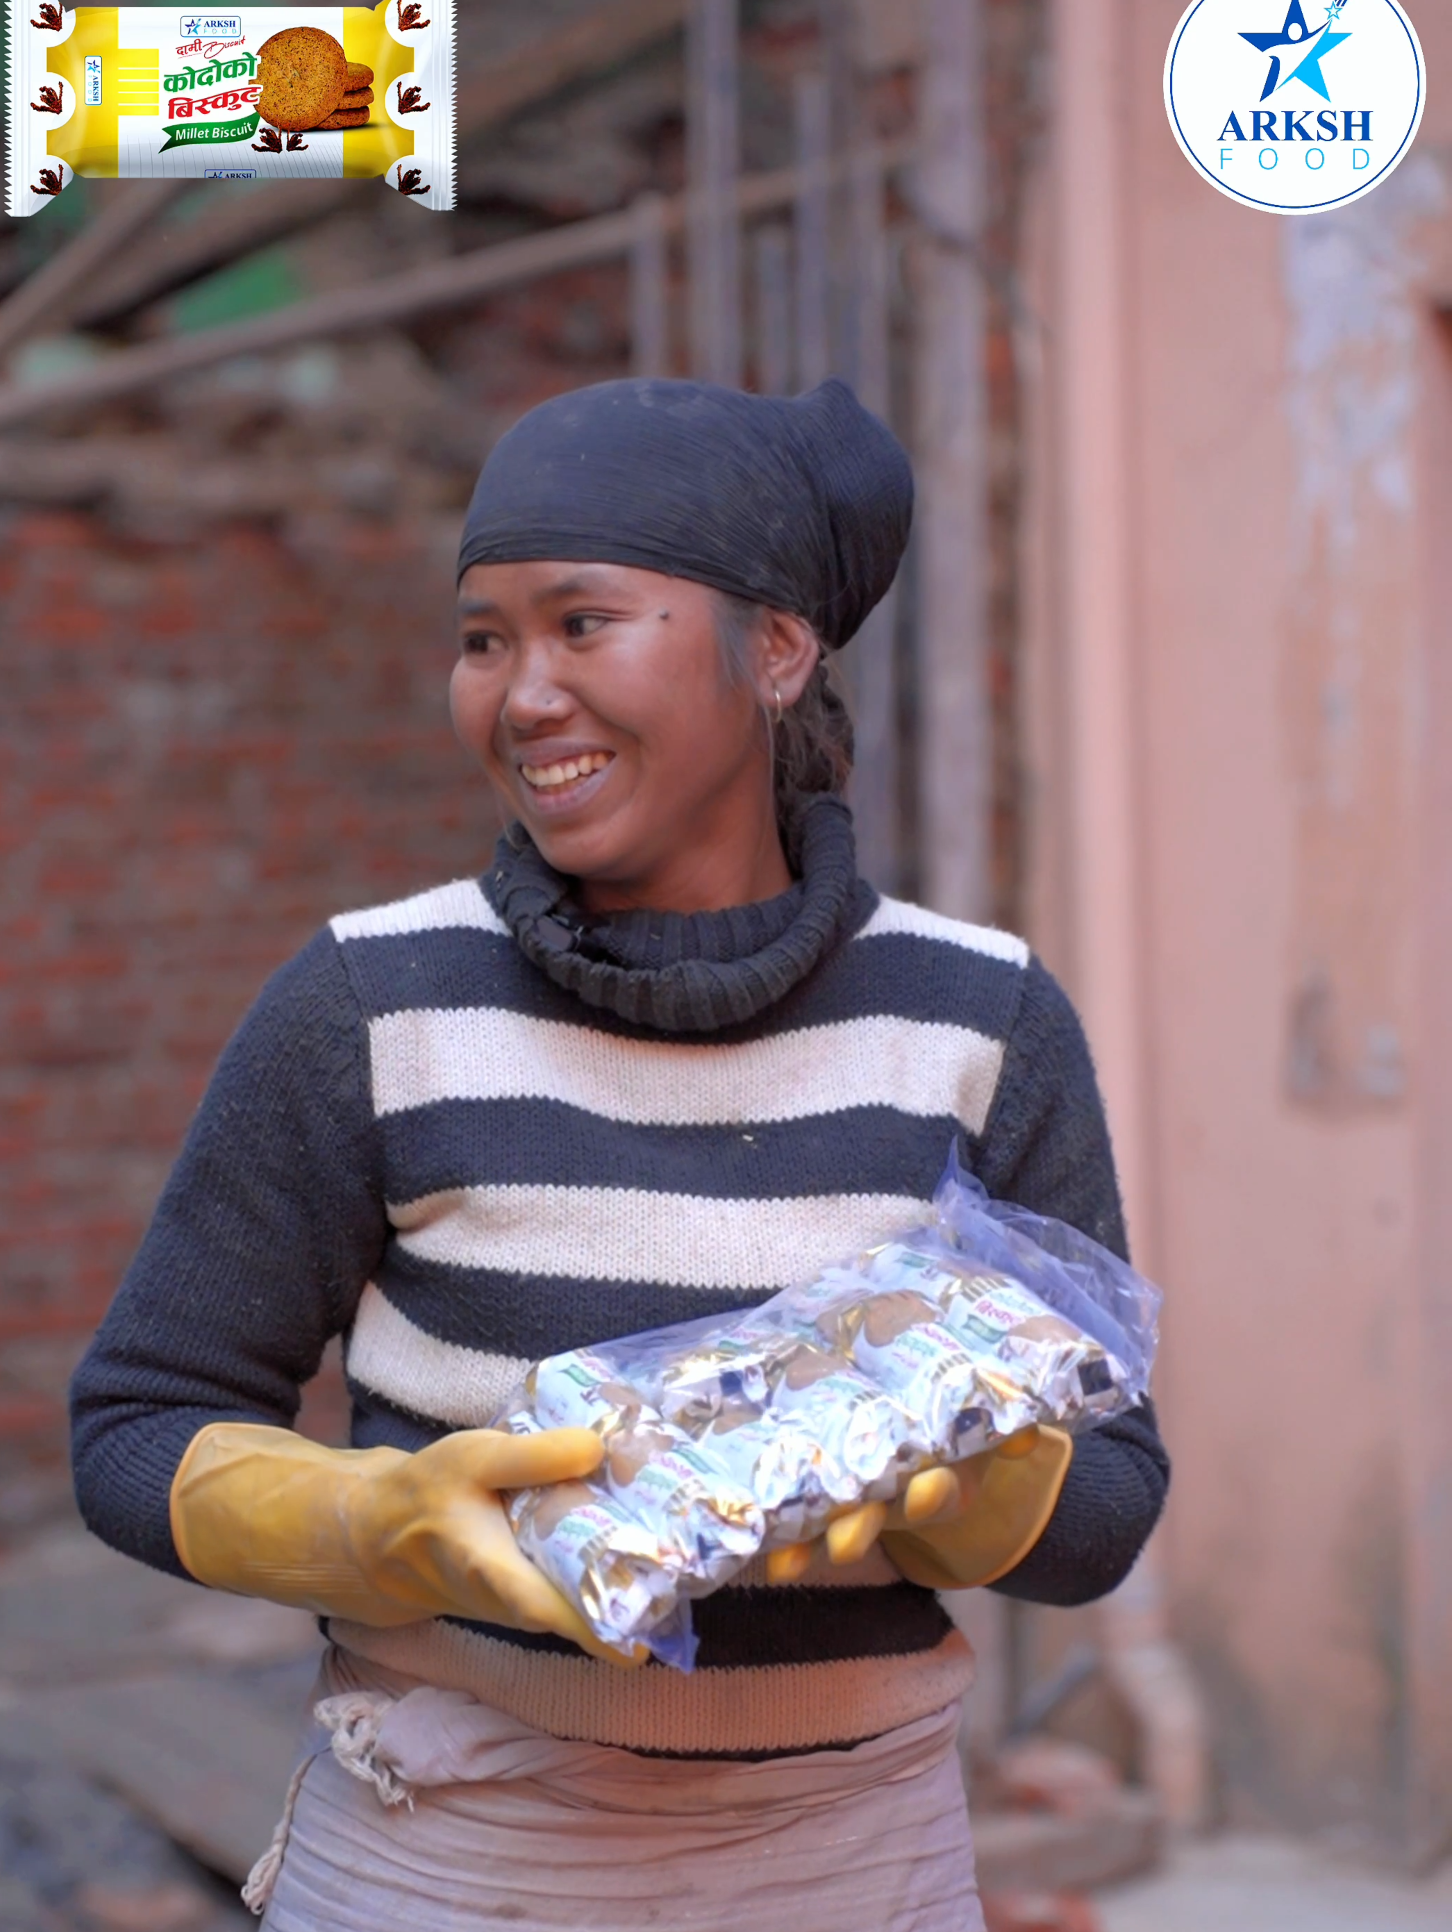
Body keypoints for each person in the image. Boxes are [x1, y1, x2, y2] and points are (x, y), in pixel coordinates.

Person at [70, 376, 1168, 1932]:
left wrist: (974, 1486)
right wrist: (373, 1532)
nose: (523, 696)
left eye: (583, 625)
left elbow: (1113, 1502)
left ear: (777, 649)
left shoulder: (977, 1014)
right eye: (484, 639)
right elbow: (137, 1423)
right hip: (453, 1858)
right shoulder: (372, 1002)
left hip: (854, 1868)